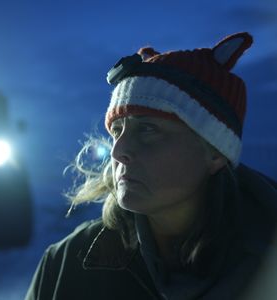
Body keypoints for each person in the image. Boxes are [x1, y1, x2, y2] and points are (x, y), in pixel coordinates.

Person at [25, 32, 277, 300]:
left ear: (215, 152)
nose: (118, 151)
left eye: (147, 129)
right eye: (117, 131)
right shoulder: (67, 266)